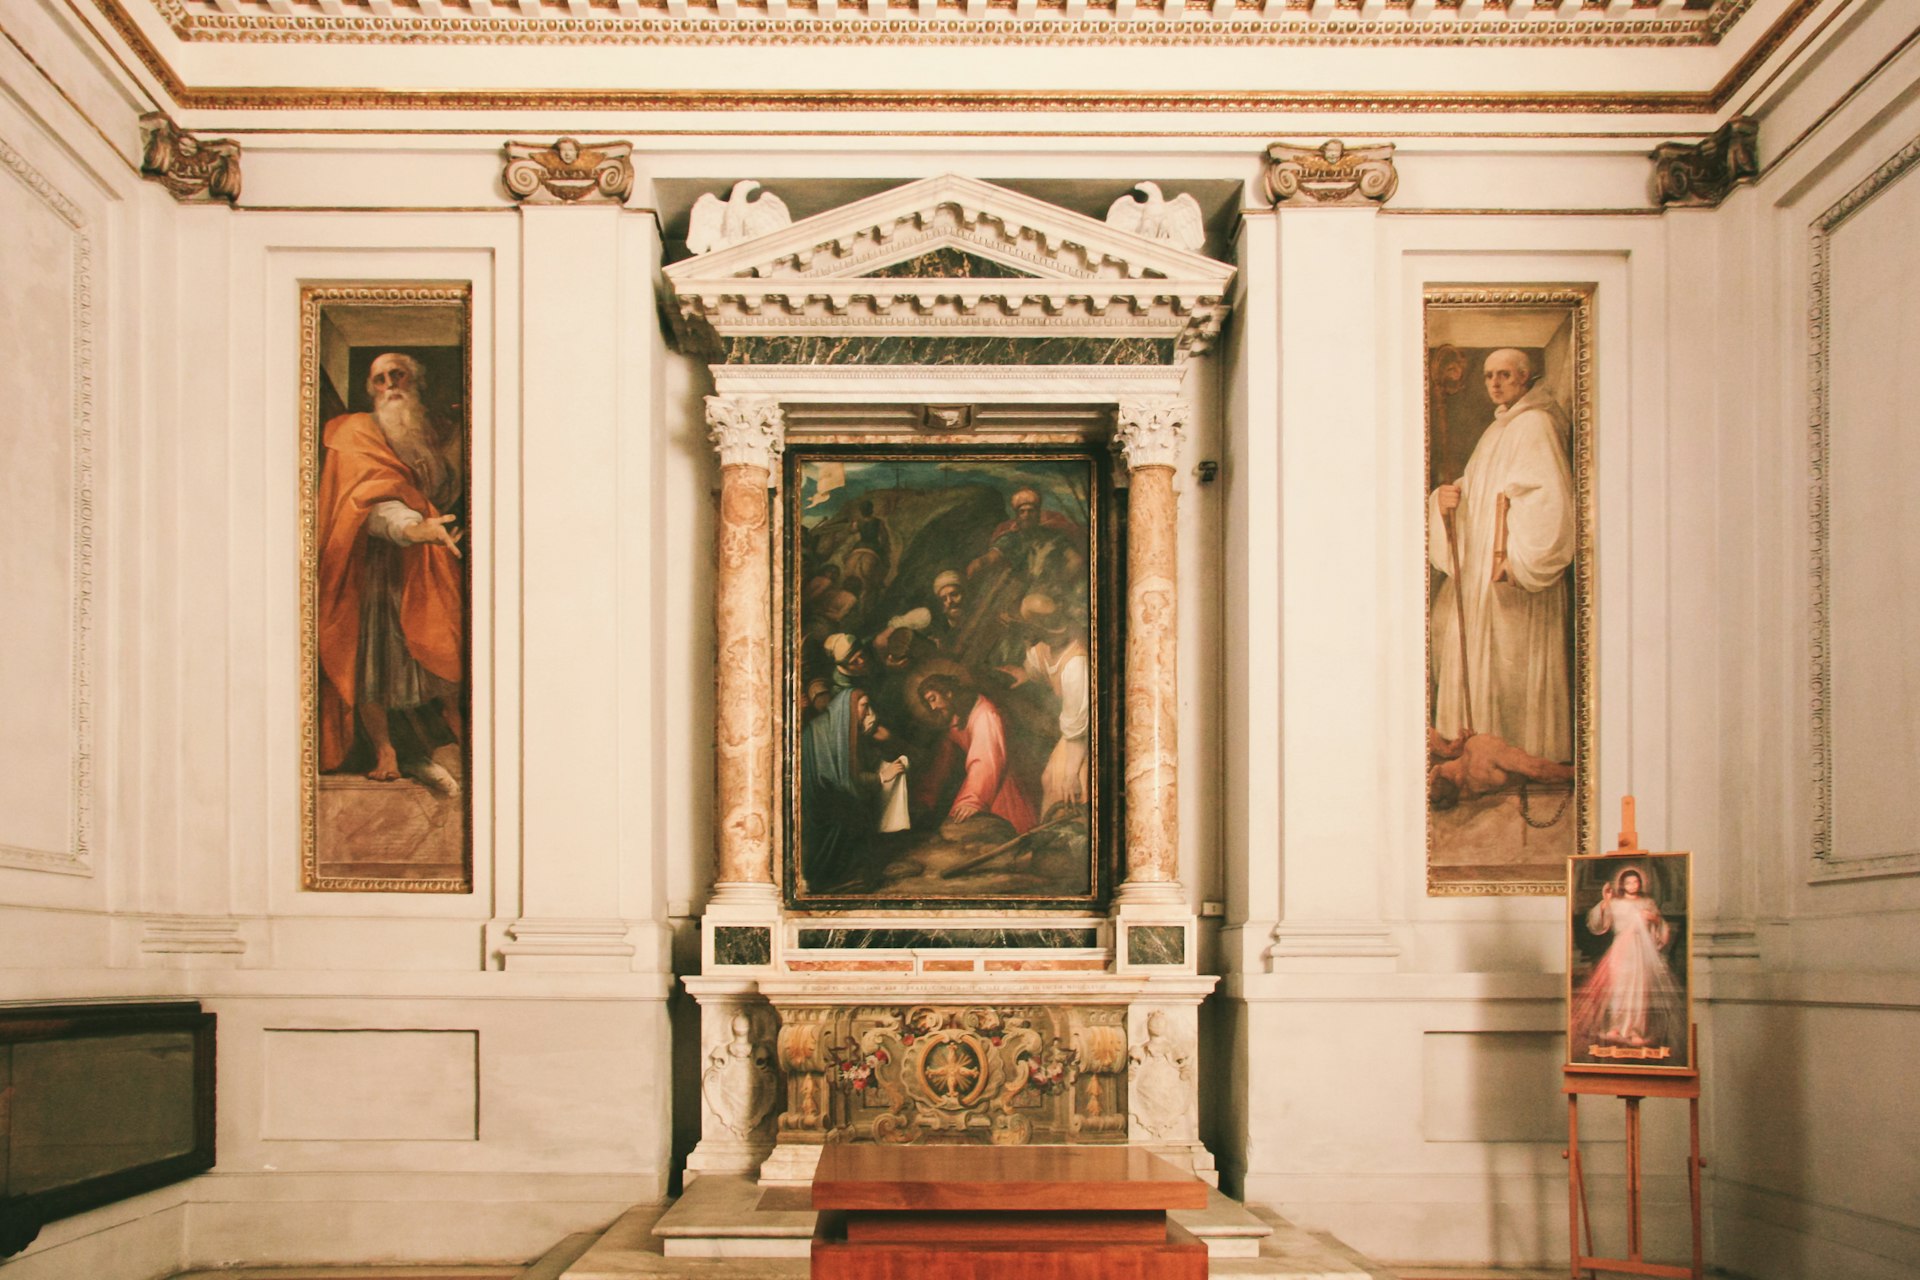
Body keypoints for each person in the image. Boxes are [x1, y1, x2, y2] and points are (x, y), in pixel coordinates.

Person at [316, 352, 465, 792]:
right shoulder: (356, 434)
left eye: (398, 376)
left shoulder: (431, 431)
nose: (389, 386)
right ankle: (386, 748)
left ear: (415, 382)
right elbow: (370, 498)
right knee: (374, 658)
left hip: (430, 561)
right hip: (373, 564)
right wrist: (413, 529)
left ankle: (458, 733)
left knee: (443, 646)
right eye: (379, 380)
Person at [1429, 348, 1575, 763]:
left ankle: (1523, 757)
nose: (1495, 383)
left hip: (1510, 580)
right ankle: (1478, 753)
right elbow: (1476, 489)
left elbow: (1549, 500)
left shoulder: (1535, 425)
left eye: (1505, 375)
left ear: (1526, 378)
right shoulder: (1497, 431)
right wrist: (1446, 499)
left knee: (1511, 668)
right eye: (1489, 375)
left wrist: (1520, 561)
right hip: (1481, 578)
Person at [799, 687, 904, 891]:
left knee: (859, 806)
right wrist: (883, 776)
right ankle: (842, 877)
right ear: (849, 706)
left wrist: (879, 750)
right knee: (855, 811)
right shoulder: (824, 729)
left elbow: (855, 767)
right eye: (864, 705)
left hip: (830, 792)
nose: (868, 711)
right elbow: (845, 781)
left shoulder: (840, 726)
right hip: (821, 801)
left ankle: (852, 872)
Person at [1571, 866, 1684, 1053]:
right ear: (1622, 884)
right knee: (1619, 989)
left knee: (1639, 991)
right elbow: (1598, 924)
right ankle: (1616, 1028)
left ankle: (1635, 1031)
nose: (1632, 885)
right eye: (1628, 882)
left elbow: (1662, 927)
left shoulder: (1648, 902)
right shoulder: (1615, 903)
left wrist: (1654, 919)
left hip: (1640, 952)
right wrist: (1606, 901)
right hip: (1621, 951)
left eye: (1635, 881)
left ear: (1640, 883)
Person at [1001, 593, 1091, 816]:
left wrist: (1070, 775)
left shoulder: (1075, 664)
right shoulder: (1044, 646)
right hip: (1074, 726)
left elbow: (1078, 731)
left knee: (1060, 784)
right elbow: (1038, 669)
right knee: (1050, 779)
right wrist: (1025, 675)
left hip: (1089, 729)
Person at [919, 675, 1037, 835]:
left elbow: (986, 760)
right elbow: (942, 763)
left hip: (998, 787)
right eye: (928, 703)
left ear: (948, 693)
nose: (932, 707)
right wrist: (925, 797)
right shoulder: (956, 716)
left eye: (933, 699)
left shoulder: (985, 714)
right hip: (979, 784)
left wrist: (973, 801)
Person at [1427, 727, 1573, 811]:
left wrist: (1453, 750)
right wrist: (1574, 772)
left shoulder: (1470, 790)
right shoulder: (1479, 747)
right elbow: (1535, 769)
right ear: (1439, 769)